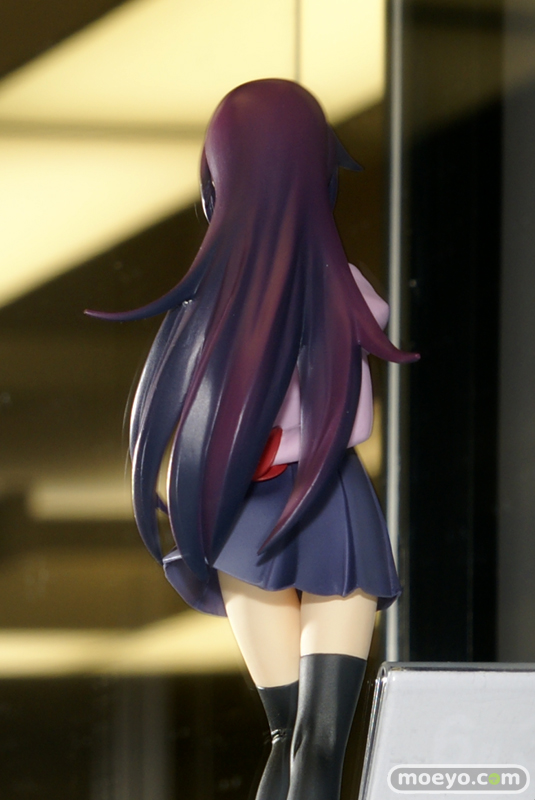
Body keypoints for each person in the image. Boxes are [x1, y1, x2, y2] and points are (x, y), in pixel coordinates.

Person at [87, 78, 418, 800]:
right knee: (309, 737)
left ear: (217, 180)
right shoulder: (312, 295)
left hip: (280, 511)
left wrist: (265, 445)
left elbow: (342, 418)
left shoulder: (226, 306)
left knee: (294, 735)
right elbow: (351, 413)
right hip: (310, 509)